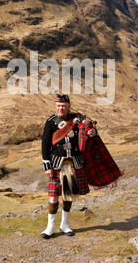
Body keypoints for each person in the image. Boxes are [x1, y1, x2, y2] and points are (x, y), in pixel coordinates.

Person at [41, 94, 97, 239]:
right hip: (56, 163)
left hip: (71, 163)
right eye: (58, 106)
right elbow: (45, 145)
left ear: (69, 106)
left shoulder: (77, 119)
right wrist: (47, 165)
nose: (61, 108)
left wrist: (93, 133)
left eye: (64, 106)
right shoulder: (51, 122)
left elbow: (87, 132)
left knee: (67, 196)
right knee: (53, 196)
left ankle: (64, 224)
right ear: (55, 106)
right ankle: (50, 227)